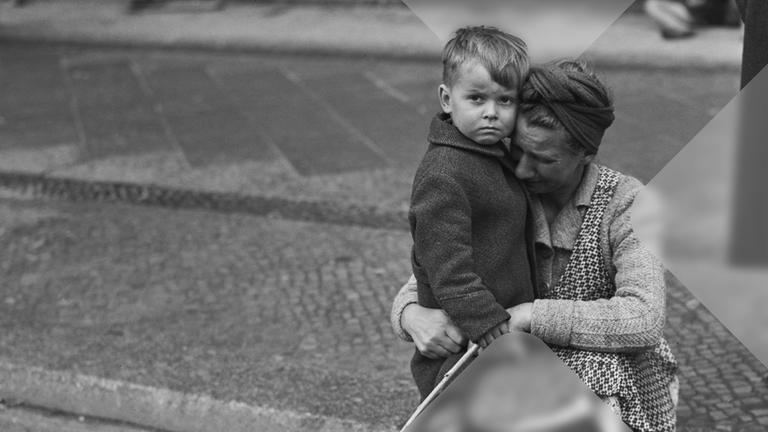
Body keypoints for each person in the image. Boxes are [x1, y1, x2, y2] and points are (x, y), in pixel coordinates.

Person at [392, 60, 679, 432]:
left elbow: (644, 318)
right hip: (519, 370)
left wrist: (529, 315)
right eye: (517, 151)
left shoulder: (627, 202)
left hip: (610, 373)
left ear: (586, 154)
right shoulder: (501, 190)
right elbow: (442, 265)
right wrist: (410, 314)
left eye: (544, 159)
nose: (524, 170)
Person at [407, 26, 536, 399]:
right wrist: (488, 323)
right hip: (466, 344)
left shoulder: (494, 155)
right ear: (447, 99)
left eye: (505, 101)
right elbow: (447, 267)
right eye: (476, 98)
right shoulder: (444, 172)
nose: (491, 113)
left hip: (500, 332)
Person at [644, 0, 741, 39]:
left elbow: (697, 4)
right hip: (692, 15)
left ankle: (677, 28)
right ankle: (677, 28)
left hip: (721, 13)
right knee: (652, 4)